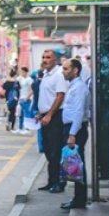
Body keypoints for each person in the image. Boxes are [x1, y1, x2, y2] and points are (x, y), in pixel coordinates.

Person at [60, 58, 90, 210]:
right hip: (72, 128)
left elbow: (79, 112)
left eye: (66, 69)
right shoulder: (74, 86)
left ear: (75, 70)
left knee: (78, 164)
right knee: (74, 164)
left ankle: (79, 200)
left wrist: (72, 134)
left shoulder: (79, 87)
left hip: (75, 129)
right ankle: (78, 198)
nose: (63, 72)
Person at [36, 50, 67, 193]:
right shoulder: (45, 74)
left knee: (56, 152)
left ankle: (59, 182)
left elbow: (60, 96)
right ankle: (51, 181)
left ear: (55, 60)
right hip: (45, 116)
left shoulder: (58, 74)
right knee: (48, 150)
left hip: (55, 117)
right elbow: (46, 97)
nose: (45, 60)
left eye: (48, 58)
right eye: (43, 57)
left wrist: (48, 115)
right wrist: (41, 114)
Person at [30, 70, 45, 152]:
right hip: (43, 108)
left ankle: (41, 147)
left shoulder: (34, 84)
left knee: (39, 129)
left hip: (36, 107)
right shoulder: (44, 84)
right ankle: (44, 146)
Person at [17, 67, 34, 134]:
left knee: (26, 114)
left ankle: (27, 129)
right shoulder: (20, 78)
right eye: (21, 72)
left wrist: (27, 97)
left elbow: (32, 89)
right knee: (20, 114)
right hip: (21, 98)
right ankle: (20, 128)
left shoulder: (29, 79)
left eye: (22, 72)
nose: (21, 73)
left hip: (26, 98)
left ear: (26, 72)